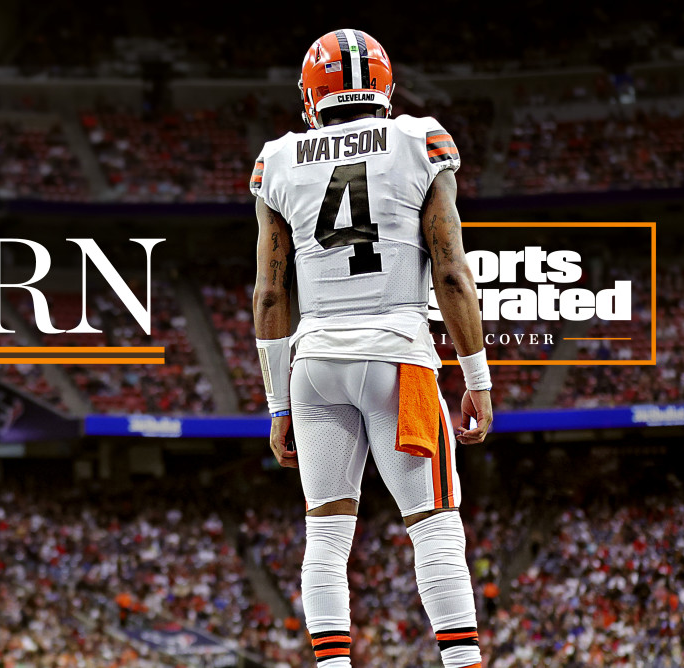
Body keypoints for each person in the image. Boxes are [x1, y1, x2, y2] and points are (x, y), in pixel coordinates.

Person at [250, 28, 493, 668]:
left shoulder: (277, 159)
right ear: (383, 85)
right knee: (434, 524)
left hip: (315, 363)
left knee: (326, 534)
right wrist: (478, 377)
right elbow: (451, 272)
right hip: (398, 356)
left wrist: (277, 404)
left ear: (311, 93)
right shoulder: (421, 141)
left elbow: (270, 297)